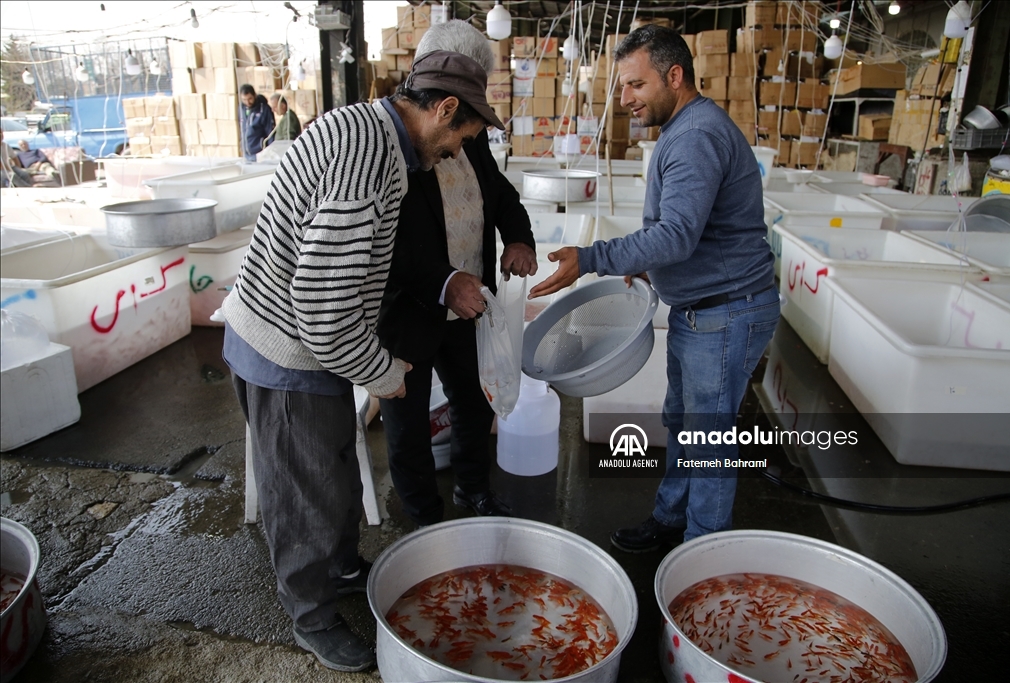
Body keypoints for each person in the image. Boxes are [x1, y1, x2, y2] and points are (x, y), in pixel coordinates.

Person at [219, 45, 503, 671]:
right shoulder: (369, 158)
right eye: (461, 138)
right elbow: (321, 310)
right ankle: (311, 615)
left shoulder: (373, 133)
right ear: (443, 110)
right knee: (306, 492)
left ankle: (343, 566)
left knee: (340, 468)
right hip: (287, 350)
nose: (457, 152)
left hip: (309, 344)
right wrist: (383, 373)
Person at [529, 25, 780, 552]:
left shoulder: (695, 136)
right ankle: (671, 521)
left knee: (708, 439)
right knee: (682, 422)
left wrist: (595, 258)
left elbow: (678, 234)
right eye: (622, 88)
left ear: (674, 76)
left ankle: (699, 555)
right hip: (700, 308)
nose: (624, 101)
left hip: (726, 312)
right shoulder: (685, 129)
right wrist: (650, 266)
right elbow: (688, 228)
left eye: (635, 86)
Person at [376, 20, 538, 529]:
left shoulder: (469, 132)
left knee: (475, 400)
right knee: (407, 421)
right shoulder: (391, 140)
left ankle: (473, 487)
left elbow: (501, 193)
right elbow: (386, 242)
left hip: (471, 306)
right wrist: (445, 281)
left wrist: (519, 237)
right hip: (412, 309)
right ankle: (424, 518)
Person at [237, 84, 276, 161]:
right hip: (246, 152)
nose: (247, 102)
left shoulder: (264, 109)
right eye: (244, 100)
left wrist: (270, 152)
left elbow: (270, 132)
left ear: (254, 95)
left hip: (259, 153)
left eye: (250, 99)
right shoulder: (241, 108)